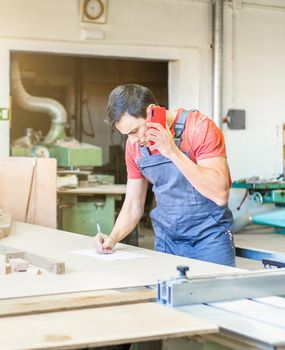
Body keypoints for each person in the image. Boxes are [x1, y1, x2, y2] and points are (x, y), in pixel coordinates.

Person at [94, 84, 235, 267]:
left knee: (217, 295)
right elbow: (133, 205)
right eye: (127, 135)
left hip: (210, 241)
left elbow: (220, 194)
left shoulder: (199, 128)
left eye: (135, 130)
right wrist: (112, 238)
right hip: (167, 242)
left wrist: (172, 151)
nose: (134, 140)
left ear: (152, 112)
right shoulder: (134, 146)